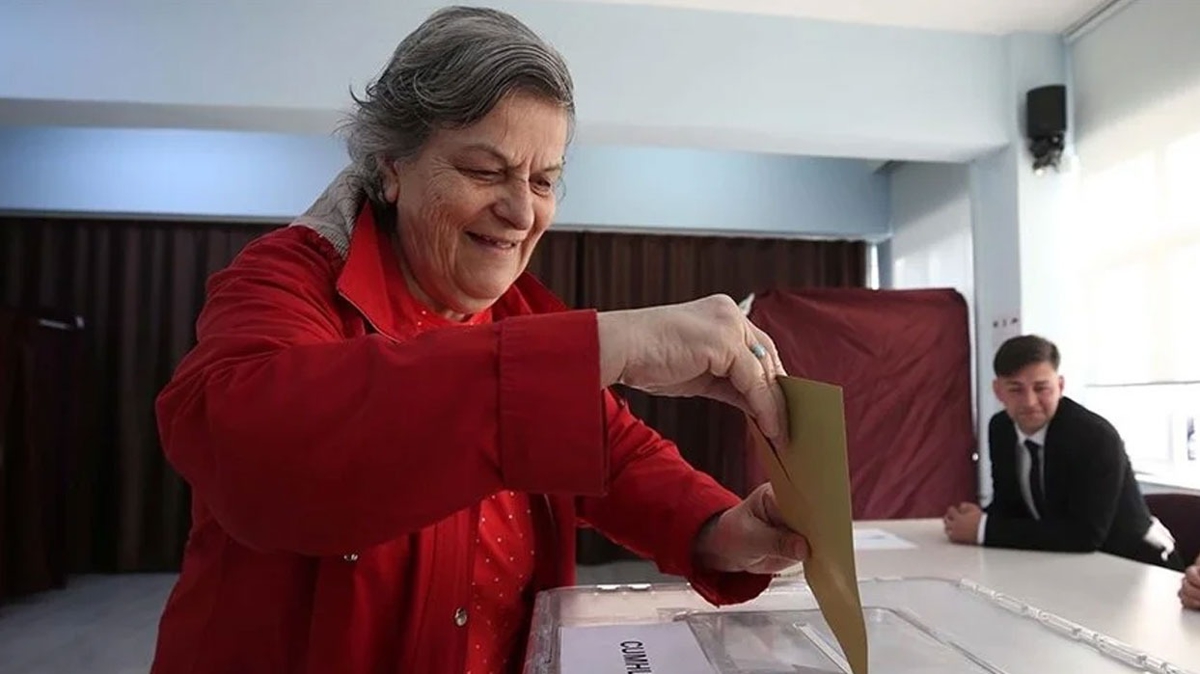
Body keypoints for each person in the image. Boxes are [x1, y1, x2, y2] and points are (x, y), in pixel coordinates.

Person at [149, 6, 809, 674]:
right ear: (392, 167)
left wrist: (719, 530)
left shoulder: (519, 314)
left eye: (544, 181)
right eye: (484, 171)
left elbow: (617, 456)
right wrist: (611, 345)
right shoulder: (287, 280)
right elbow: (252, 447)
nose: (522, 212)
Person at [944, 335, 1182, 571]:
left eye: (1041, 388)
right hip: (1067, 563)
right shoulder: (1001, 428)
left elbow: (1085, 534)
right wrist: (978, 518)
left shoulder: (1094, 436)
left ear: (1060, 386)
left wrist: (984, 529)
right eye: (1016, 389)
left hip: (1138, 564)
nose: (1030, 402)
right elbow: (1011, 505)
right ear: (998, 391)